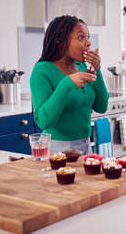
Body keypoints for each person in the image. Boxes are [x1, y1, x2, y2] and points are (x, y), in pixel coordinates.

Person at [30, 15, 108, 154]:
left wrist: (97, 69)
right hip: (56, 150)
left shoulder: (82, 66)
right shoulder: (42, 70)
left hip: (85, 147)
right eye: (81, 37)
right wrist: (66, 85)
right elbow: (43, 121)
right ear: (61, 41)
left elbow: (102, 107)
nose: (88, 43)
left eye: (88, 37)